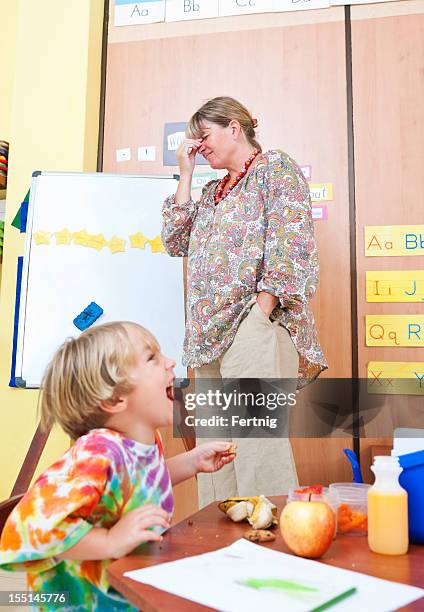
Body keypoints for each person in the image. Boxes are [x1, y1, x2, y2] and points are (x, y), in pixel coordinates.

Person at [0, 322, 235, 611]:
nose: (170, 363)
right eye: (152, 358)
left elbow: (139, 483)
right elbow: (31, 526)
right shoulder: (97, 453)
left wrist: (193, 461)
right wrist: (110, 540)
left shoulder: (146, 441)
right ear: (115, 398)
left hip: (124, 593)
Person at [162, 96, 327, 507]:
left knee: (257, 445)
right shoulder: (211, 191)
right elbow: (174, 240)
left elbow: (293, 243)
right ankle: (220, 545)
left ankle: (269, 547)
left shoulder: (275, 168)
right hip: (206, 336)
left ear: (234, 128)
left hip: (252, 327)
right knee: (215, 452)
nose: (199, 146)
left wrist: (262, 310)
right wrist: (185, 173)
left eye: (204, 136)